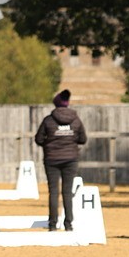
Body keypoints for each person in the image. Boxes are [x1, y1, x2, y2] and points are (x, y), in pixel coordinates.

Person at [35, 88, 87, 231]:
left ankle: (52, 224)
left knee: (53, 192)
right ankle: (68, 224)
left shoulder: (48, 120)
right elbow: (83, 139)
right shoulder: (76, 120)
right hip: (71, 160)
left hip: (52, 160)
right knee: (67, 192)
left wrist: (50, 143)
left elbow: (38, 139)